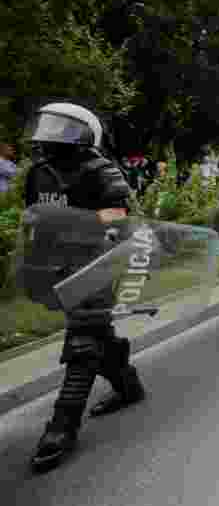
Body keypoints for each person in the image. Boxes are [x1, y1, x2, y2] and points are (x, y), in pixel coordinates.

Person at [20, 102, 145, 471]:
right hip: (55, 264)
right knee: (97, 334)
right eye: (49, 124)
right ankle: (128, 386)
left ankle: (62, 427)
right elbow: (34, 216)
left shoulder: (101, 170)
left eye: (63, 127)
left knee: (83, 341)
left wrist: (84, 223)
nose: (52, 133)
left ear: (86, 133)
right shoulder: (39, 173)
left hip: (96, 262)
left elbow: (121, 216)